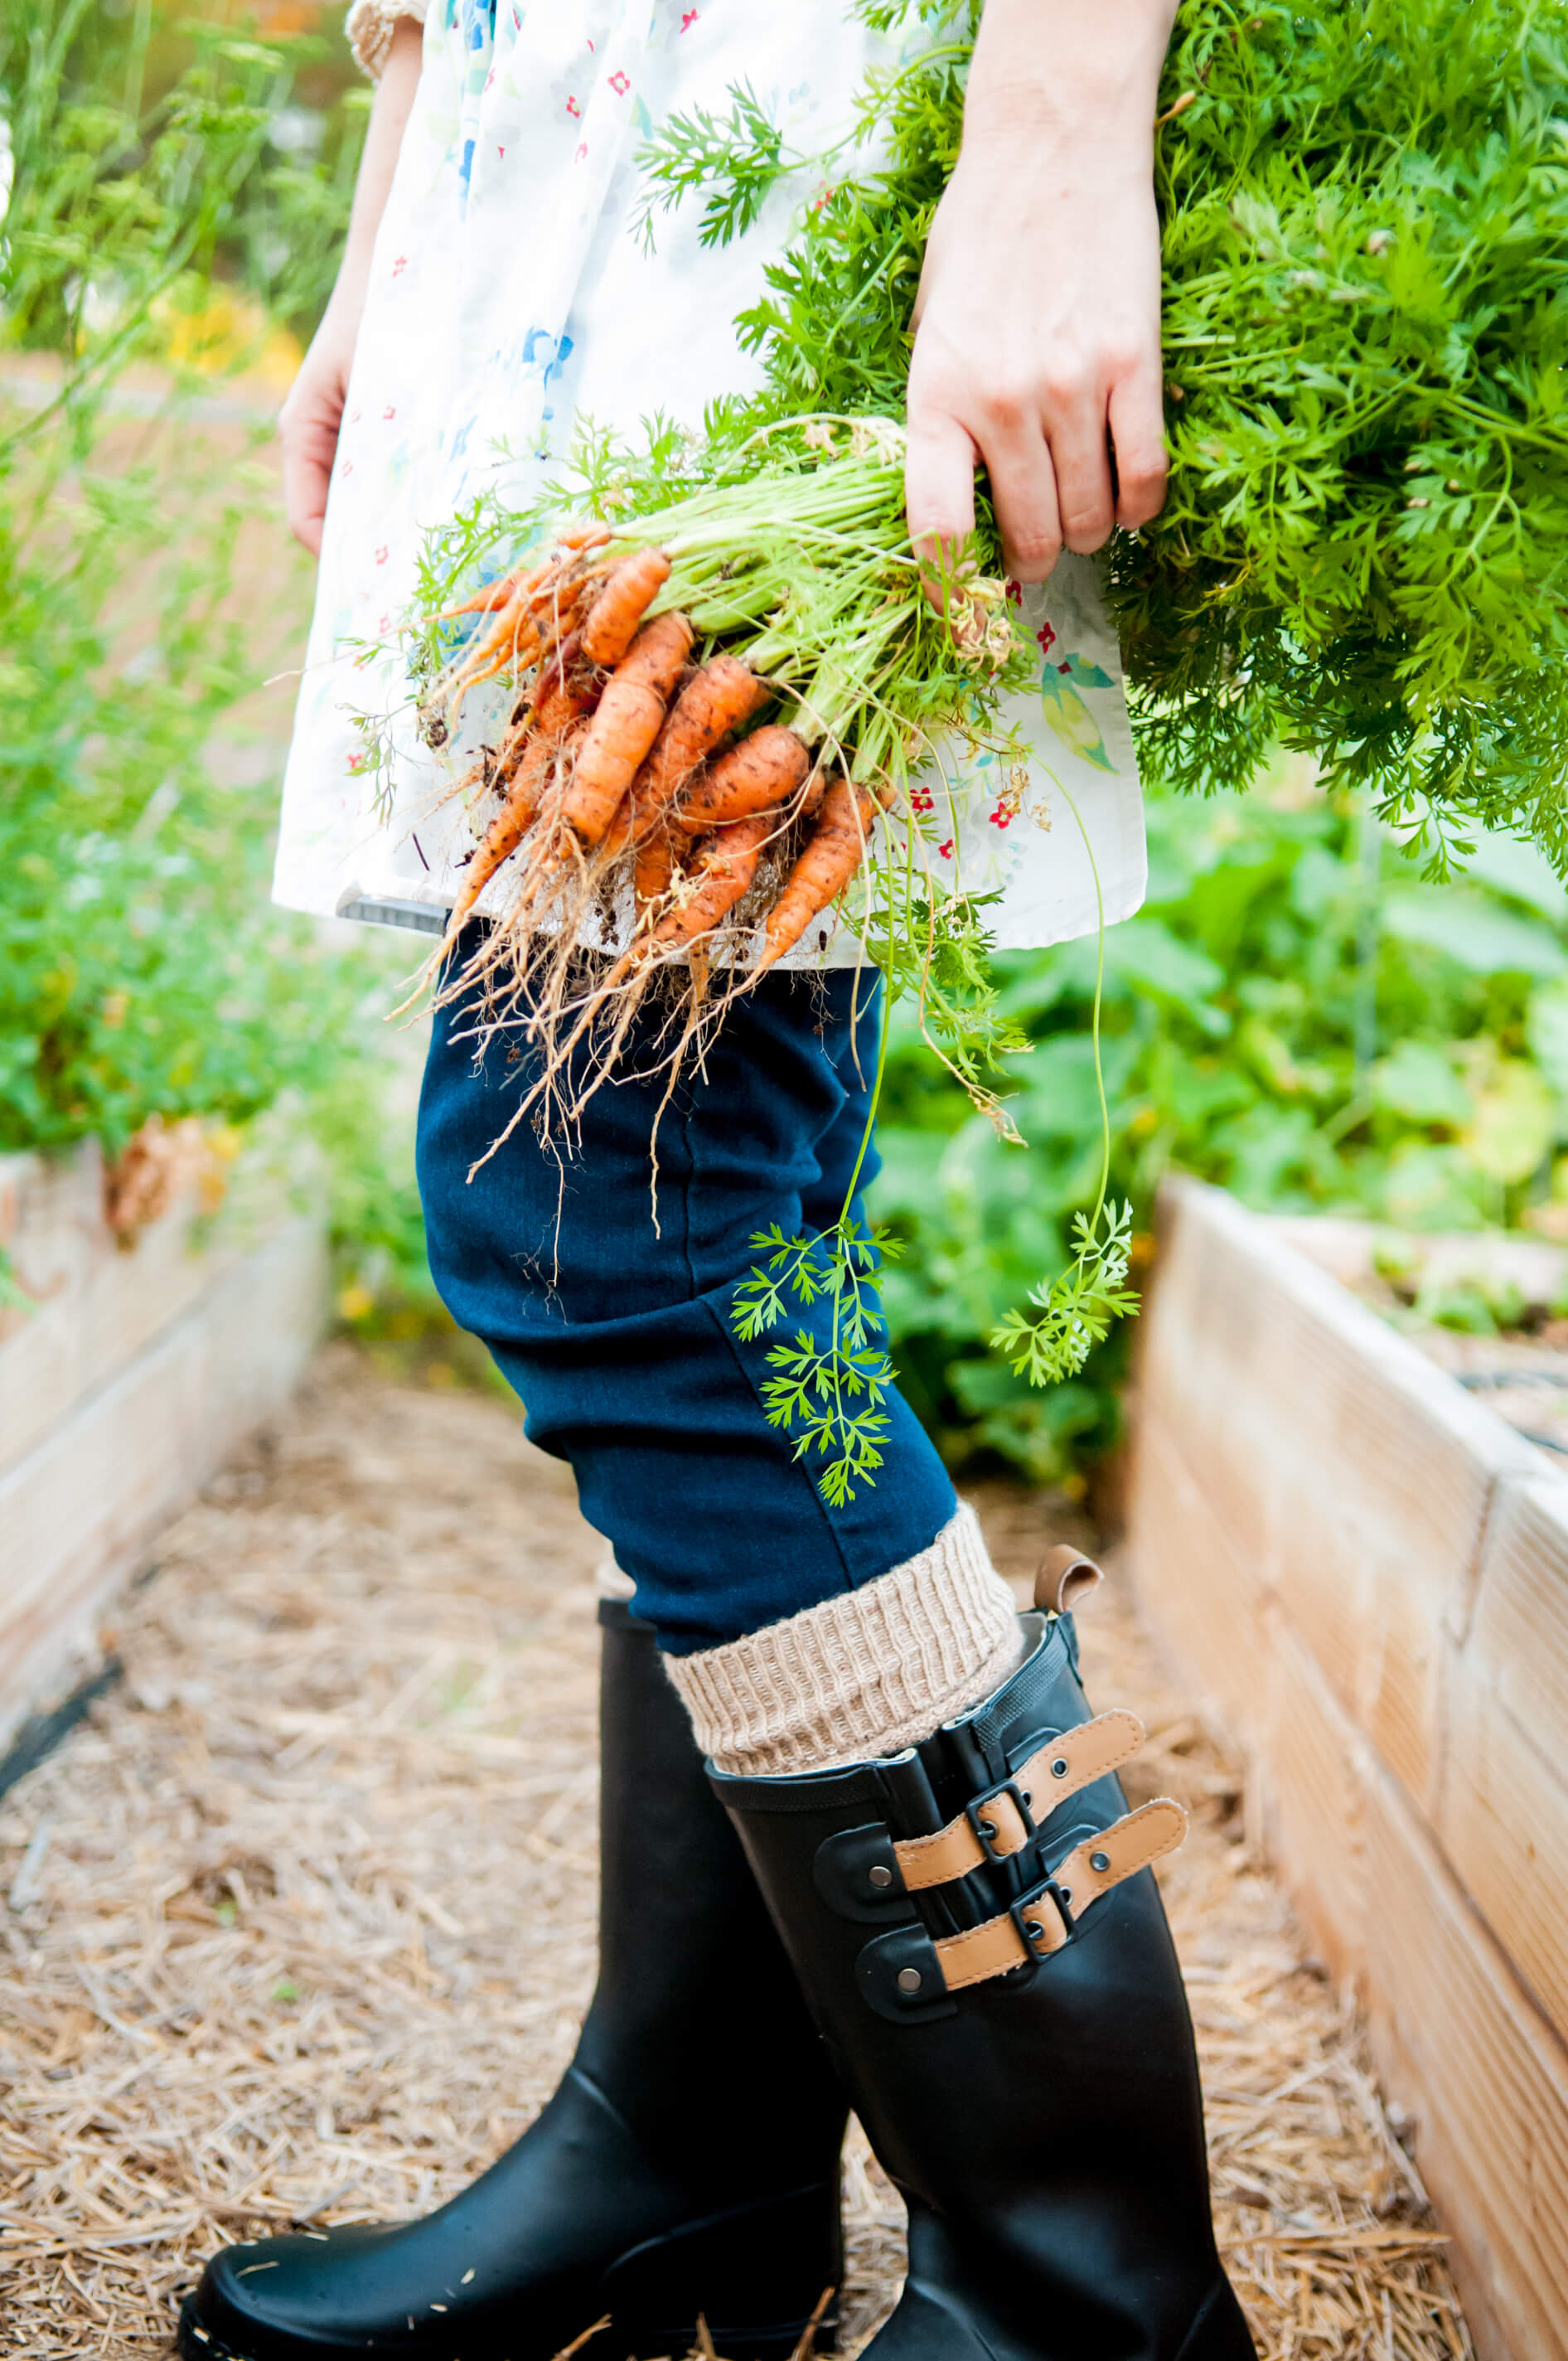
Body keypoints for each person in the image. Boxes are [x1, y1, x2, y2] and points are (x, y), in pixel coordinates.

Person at [180, 6, 1255, 2359]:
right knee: (689, 1221)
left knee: (621, 1220)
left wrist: (1060, 120)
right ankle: (694, 2156)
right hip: (547, 165)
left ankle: (1089, 2296)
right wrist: (401, 186)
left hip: (782, 167)